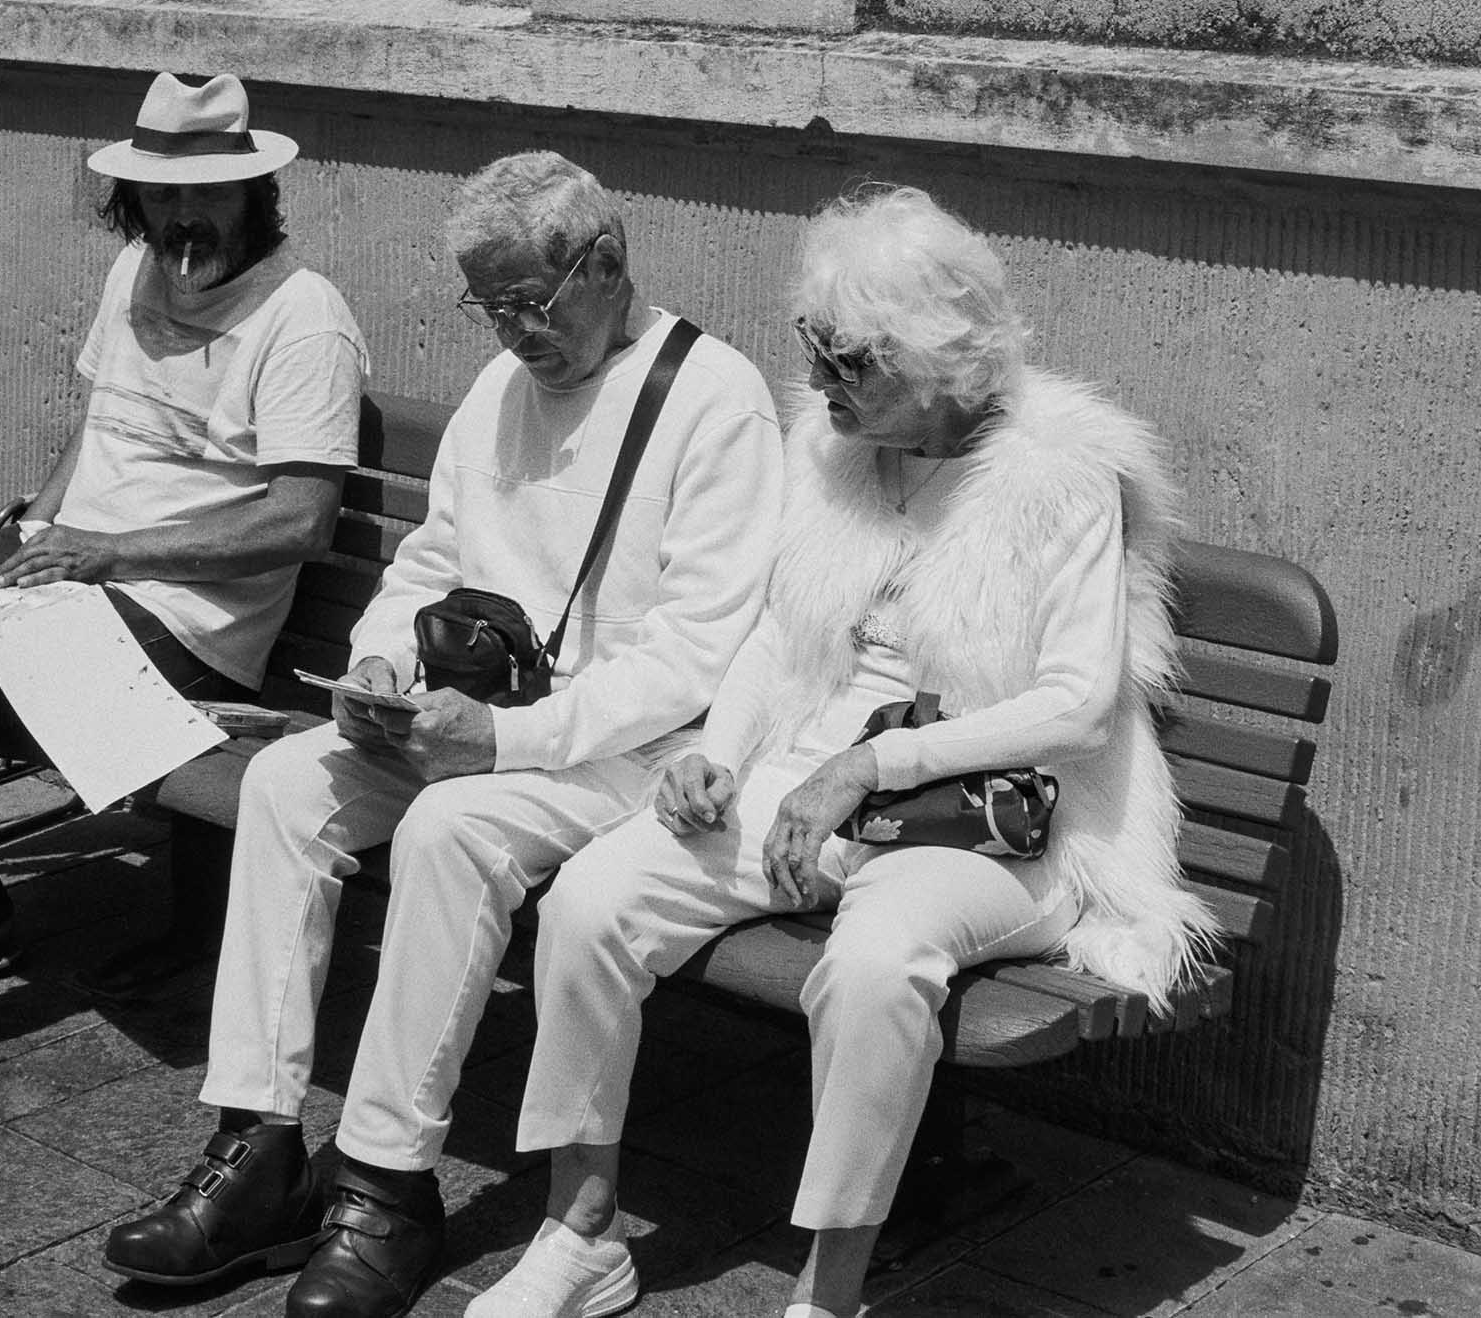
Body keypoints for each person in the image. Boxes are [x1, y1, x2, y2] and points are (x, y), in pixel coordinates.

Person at [468, 184, 1219, 1318]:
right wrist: (716, 753)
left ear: (943, 360)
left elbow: (1075, 705)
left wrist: (874, 765)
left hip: (997, 820)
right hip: (803, 784)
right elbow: (778, 627)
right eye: (812, 353)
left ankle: (827, 1295)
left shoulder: (1056, 477)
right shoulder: (831, 444)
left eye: (848, 362)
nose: (819, 384)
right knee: (592, 898)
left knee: (872, 964)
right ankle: (578, 1231)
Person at [101, 150, 785, 1317]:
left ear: (604, 261)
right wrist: (382, 661)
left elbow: (693, 652)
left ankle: (382, 1180)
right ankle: (257, 1147)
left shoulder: (713, 398)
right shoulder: (500, 389)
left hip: (626, 749)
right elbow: (429, 561)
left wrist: (503, 744)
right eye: (490, 304)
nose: (514, 331)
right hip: (475, 716)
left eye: (530, 299)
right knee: (282, 786)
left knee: (451, 832)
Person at [0, 73, 367, 1095]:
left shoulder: (302, 318)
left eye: (209, 194)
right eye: (162, 196)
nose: (184, 215)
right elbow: (99, 429)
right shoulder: (135, 272)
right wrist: (27, 536)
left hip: (185, 620)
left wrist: (113, 554)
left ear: (256, 192)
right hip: (70, 570)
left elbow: (302, 521)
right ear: (131, 201)